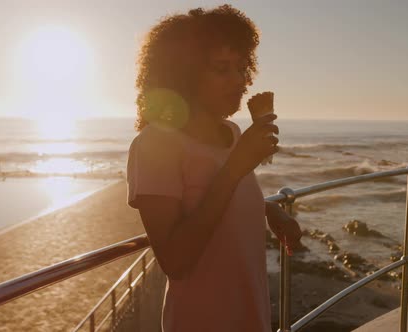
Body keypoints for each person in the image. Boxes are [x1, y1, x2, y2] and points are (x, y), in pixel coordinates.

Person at [126, 5, 303, 332]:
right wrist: (237, 167)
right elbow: (175, 260)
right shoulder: (155, 145)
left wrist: (267, 210)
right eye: (222, 68)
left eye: (240, 68)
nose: (238, 80)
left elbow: (216, 199)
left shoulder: (233, 134)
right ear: (183, 74)